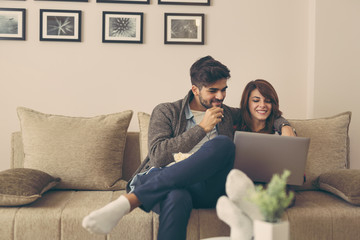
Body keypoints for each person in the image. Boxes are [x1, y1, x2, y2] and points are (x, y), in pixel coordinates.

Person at [82, 56, 294, 240]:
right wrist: (202, 128)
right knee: (176, 196)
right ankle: (129, 202)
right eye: (213, 91)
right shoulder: (166, 111)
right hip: (168, 183)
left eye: (224, 90)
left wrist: (283, 125)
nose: (220, 97)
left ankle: (130, 201)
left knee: (223, 145)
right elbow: (157, 157)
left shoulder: (227, 113)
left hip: (208, 188)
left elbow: (259, 110)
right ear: (195, 89)